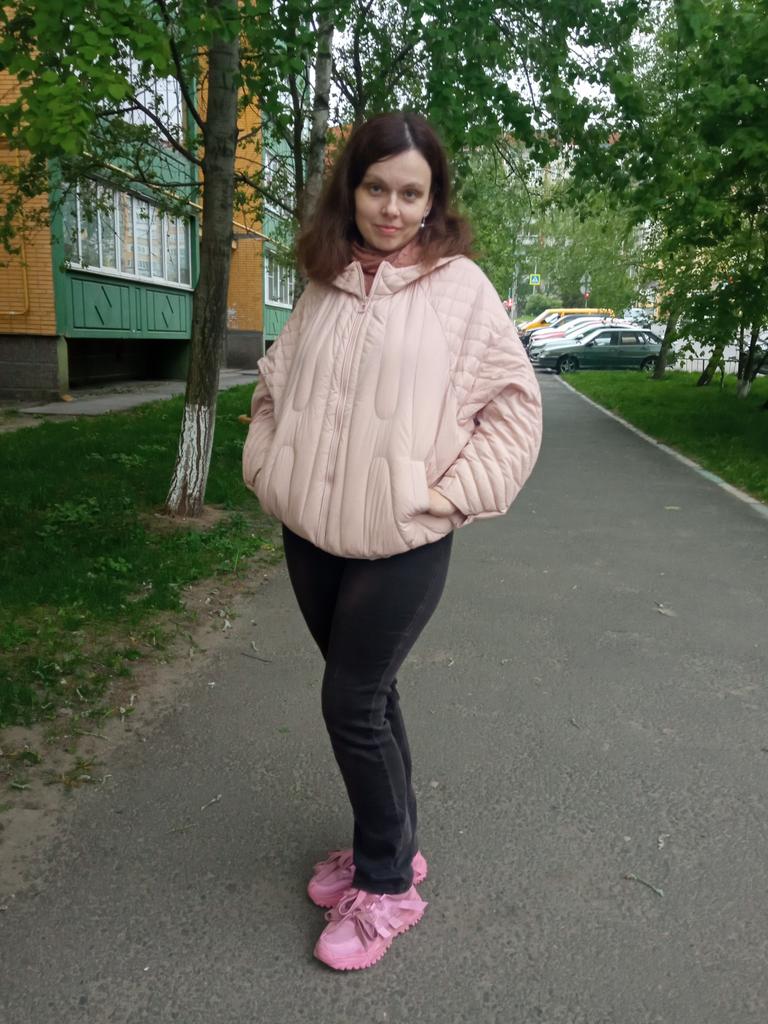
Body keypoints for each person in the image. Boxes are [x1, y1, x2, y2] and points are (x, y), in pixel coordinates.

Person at [242, 112, 542, 971]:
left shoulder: (461, 289)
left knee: (351, 703)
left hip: (402, 539)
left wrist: (447, 497)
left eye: (411, 193)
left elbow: (514, 412)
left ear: (433, 199)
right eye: (377, 187)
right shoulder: (325, 279)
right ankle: (395, 844)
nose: (391, 208)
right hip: (312, 533)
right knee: (373, 697)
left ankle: (388, 887)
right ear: (353, 189)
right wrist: (268, 465)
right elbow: (274, 385)